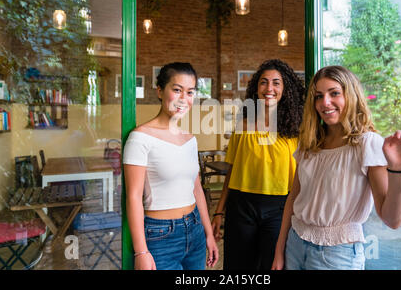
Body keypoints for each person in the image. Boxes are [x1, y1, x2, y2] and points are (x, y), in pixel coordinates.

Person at [272, 65, 401, 270]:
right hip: (295, 243)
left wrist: (397, 169)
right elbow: (294, 197)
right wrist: (279, 250)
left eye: (334, 93)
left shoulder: (367, 143)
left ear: (351, 96)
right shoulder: (309, 142)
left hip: (336, 255)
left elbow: (392, 220)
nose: (324, 103)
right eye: (318, 96)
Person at [211, 59, 306, 270]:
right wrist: (219, 212)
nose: (269, 88)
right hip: (241, 205)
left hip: (280, 208)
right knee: (237, 267)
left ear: (285, 89)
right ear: (256, 88)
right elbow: (233, 169)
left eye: (276, 83)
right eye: (263, 82)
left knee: (272, 265)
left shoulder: (297, 128)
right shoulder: (243, 123)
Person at [123, 62, 219, 270]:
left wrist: (209, 234)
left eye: (190, 92)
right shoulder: (140, 138)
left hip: (195, 230)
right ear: (160, 91)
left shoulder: (190, 139)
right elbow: (133, 197)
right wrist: (141, 251)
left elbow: (197, 189)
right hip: (160, 236)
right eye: (177, 90)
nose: (184, 99)